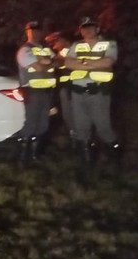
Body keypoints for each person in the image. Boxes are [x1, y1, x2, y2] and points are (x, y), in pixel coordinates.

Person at [64, 16, 119, 172]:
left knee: (104, 128)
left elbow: (108, 62)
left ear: (98, 29)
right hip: (78, 93)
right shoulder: (76, 45)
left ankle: (114, 155)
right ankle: (87, 163)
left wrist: (81, 64)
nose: (87, 30)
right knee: (82, 128)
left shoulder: (109, 44)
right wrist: (93, 64)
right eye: (84, 28)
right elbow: (68, 62)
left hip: (98, 92)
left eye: (90, 27)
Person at [15, 20, 56, 165]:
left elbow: (58, 62)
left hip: (47, 92)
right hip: (32, 92)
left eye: (38, 30)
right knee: (31, 124)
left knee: (43, 124)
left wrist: (46, 62)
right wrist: (48, 62)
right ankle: (22, 158)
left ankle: (34, 156)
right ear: (27, 33)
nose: (36, 33)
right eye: (32, 31)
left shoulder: (45, 48)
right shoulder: (25, 50)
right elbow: (39, 68)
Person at [45, 31, 74, 145]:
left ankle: (76, 138)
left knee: (70, 114)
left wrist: (46, 62)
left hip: (71, 89)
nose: (53, 46)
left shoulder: (69, 51)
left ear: (62, 40)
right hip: (67, 88)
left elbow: (58, 62)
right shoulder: (65, 51)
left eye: (54, 42)